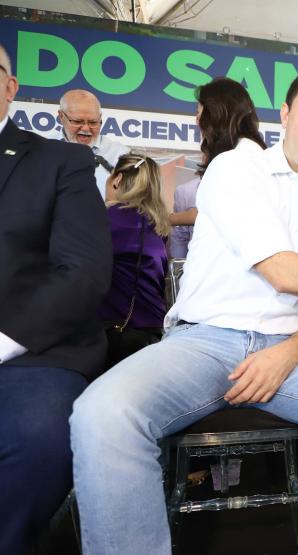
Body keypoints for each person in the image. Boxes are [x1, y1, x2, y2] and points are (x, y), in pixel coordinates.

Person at [70, 67, 298, 555]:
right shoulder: (236, 168)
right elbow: (282, 271)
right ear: (285, 115)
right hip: (202, 341)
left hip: (292, 355)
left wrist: (287, 354)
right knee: (102, 413)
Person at [0, 44, 112, 554]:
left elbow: (84, 273)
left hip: (31, 352)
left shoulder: (60, 161)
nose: (86, 127)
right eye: (79, 120)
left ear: (10, 86)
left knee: (38, 439)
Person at [168, 77, 268, 258]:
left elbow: (207, 215)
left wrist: (167, 218)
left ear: (215, 114)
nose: (197, 120)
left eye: (200, 113)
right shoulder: (246, 155)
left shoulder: (232, 161)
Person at [101, 153, 170, 367]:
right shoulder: (158, 226)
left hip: (114, 331)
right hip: (154, 330)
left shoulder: (105, 218)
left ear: (118, 179)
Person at [58, 89, 130, 199]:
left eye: (93, 122)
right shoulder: (41, 148)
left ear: (100, 118)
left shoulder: (121, 155)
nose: (86, 128)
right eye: (78, 121)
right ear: (61, 117)